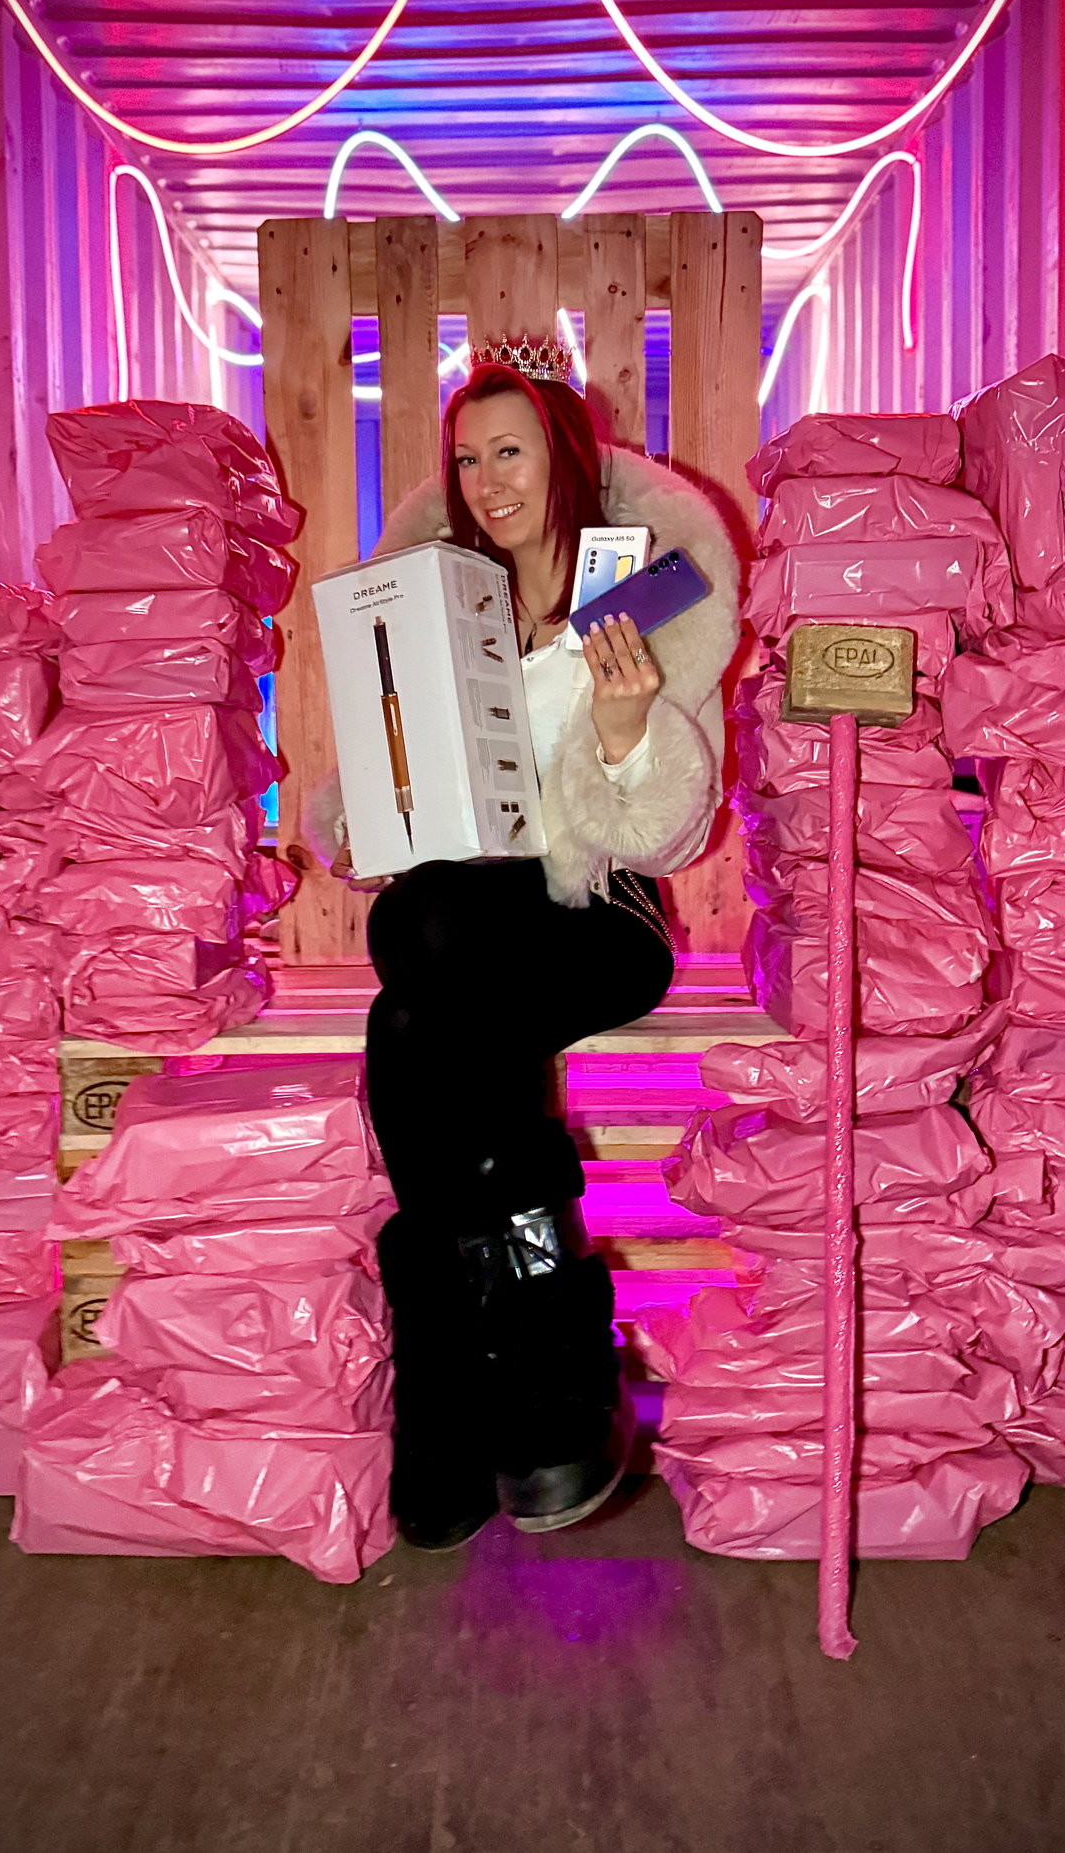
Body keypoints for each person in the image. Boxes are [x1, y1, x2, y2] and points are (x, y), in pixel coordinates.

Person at [312, 335, 740, 1549]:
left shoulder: (647, 595)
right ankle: (545, 1388)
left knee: (424, 950)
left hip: (595, 915)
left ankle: (454, 1411)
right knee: (412, 1009)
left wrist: (626, 727)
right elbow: (369, 796)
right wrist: (379, 805)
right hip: (458, 926)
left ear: (561, 456)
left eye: (509, 452)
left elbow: (673, 831)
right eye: (466, 459)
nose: (487, 480)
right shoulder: (451, 611)